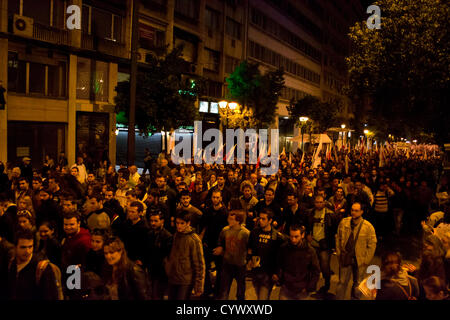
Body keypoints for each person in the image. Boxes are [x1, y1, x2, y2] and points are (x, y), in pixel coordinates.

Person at [335, 202, 377, 300]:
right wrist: (339, 254)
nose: (353, 212)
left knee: (358, 283)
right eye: (352, 210)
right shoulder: (344, 222)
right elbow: (338, 238)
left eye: (356, 211)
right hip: (346, 258)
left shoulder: (368, 227)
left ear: (361, 212)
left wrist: (365, 260)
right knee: (342, 282)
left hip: (360, 260)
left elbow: (372, 245)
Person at [6, 229, 60, 300]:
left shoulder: (42, 267)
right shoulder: (11, 263)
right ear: (15, 247)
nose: (27, 251)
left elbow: (51, 296)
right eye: (23, 247)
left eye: (30, 247)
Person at [165, 210, 205, 300]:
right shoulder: (176, 235)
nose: (179, 226)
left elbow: (199, 264)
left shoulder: (194, 239)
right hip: (173, 278)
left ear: (188, 223)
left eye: (182, 223)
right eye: (177, 223)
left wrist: (198, 286)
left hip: (185, 281)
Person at [274, 225, 320, 300]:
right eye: (291, 236)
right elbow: (279, 264)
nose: (293, 240)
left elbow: (316, 271)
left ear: (302, 235)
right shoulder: (284, 248)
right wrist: (278, 276)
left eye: (296, 237)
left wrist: (309, 287)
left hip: (302, 290)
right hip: (286, 288)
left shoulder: (310, 251)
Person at [248, 208, 286, 300]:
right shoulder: (254, 232)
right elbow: (250, 248)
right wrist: (249, 259)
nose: (260, 221)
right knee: (258, 295)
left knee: (263, 298)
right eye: (259, 218)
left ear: (270, 220)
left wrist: (277, 273)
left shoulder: (277, 237)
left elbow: (280, 257)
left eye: (263, 219)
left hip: (268, 274)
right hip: (256, 271)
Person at [214, 210, 250, 300]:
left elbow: (250, 248)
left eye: (231, 219)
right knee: (224, 291)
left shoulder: (245, 233)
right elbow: (220, 242)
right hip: (227, 263)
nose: (228, 220)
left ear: (238, 221)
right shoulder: (225, 230)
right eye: (228, 218)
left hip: (240, 264)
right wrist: (220, 248)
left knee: (240, 292)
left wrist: (249, 261)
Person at [306, 195, 338, 294]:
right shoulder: (310, 213)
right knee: (311, 265)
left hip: (325, 244)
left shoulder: (330, 214)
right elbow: (307, 225)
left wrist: (333, 245)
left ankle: (327, 284)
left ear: (324, 203)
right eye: (317, 202)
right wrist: (307, 235)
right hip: (313, 243)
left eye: (320, 202)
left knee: (325, 266)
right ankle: (311, 285)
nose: (318, 204)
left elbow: (334, 230)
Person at [199, 190, 228, 298]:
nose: (215, 199)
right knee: (204, 268)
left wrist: (222, 246)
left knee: (220, 270)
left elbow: (226, 231)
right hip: (207, 244)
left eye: (217, 197)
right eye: (213, 197)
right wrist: (202, 239)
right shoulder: (208, 211)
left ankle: (217, 292)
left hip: (219, 246)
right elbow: (204, 226)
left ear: (220, 198)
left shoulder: (225, 213)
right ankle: (207, 290)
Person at [145, 211, 172, 300]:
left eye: (156, 221)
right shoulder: (150, 234)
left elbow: (167, 255)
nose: (153, 223)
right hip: (151, 269)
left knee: (157, 294)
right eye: (151, 221)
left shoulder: (167, 236)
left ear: (162, 221)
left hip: (161, 270)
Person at [118, 201, 149, 265]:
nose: (130, 214)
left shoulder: (144, 228)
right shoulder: (126, 223)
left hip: (136, 259)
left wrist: (141, 259)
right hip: (125, 255)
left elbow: (146, 246)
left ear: (140, 213)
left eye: (133, 212)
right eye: (129, 211)